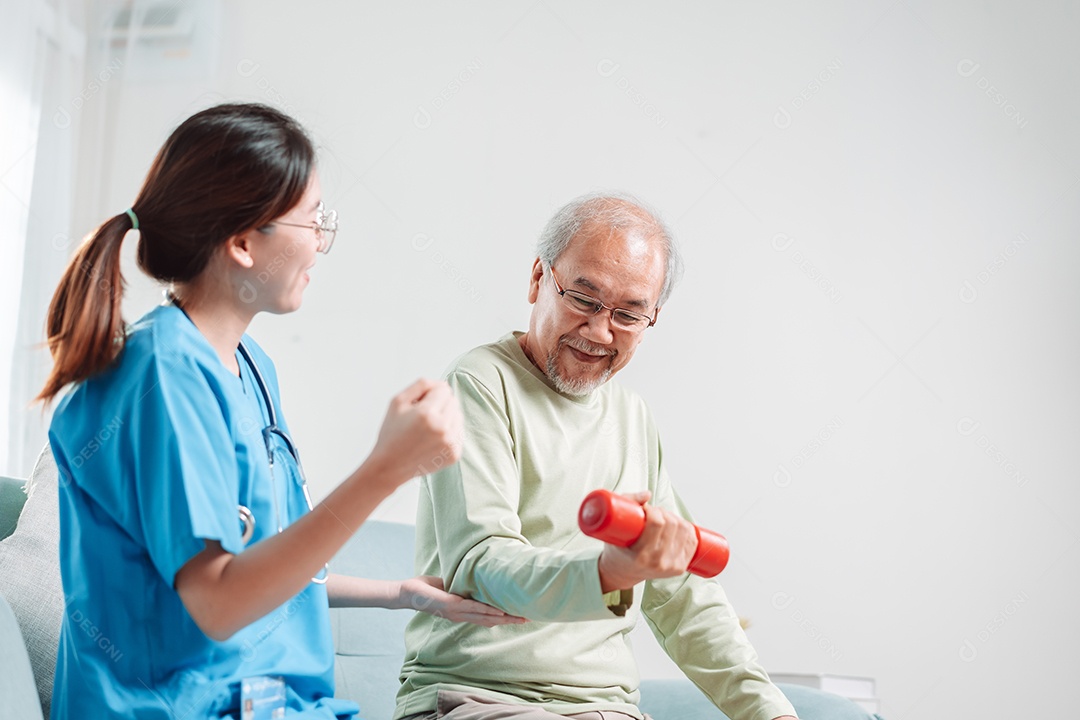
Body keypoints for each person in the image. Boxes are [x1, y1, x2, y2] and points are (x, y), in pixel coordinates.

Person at [37, 102, 522, 720]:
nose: (321, 244)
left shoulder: (250, 367)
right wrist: (386, 470)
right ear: (242, 242)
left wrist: (400, 594)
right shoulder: (162, 377)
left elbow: (260, 566)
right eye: (313, 221)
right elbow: (218, 602)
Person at [394, 193, 799, 720]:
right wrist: (607, 572)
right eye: (583, 300)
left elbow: (681, 596)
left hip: (608, 710)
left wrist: (771, 712)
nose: (600, 331)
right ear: (540, 278)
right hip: (479, 698)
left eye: (629, 314)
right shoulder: (479, 383)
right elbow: (483, 564)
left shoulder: (632, 417)